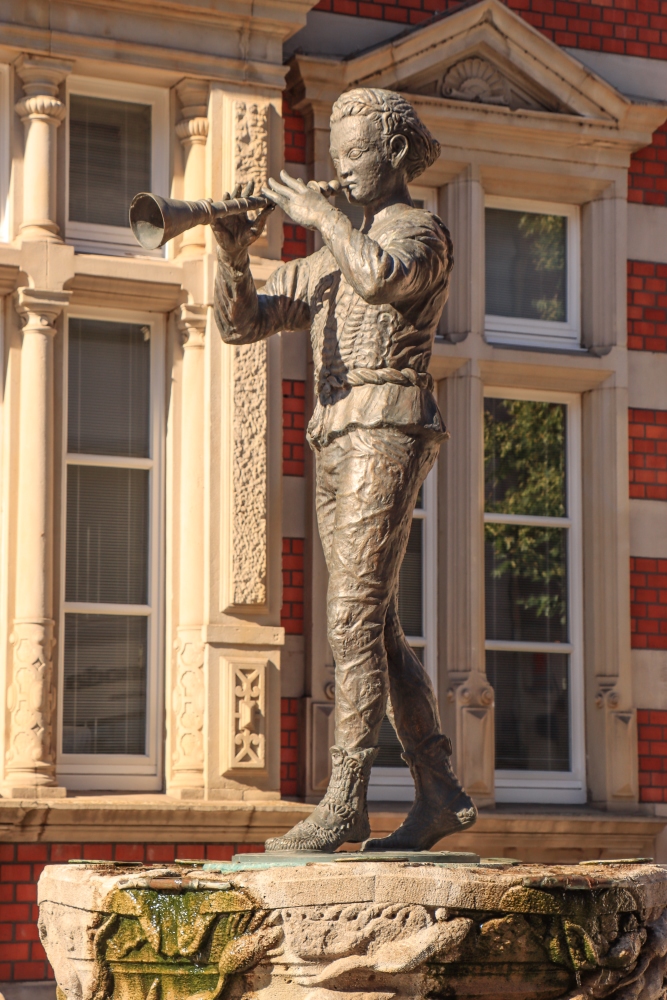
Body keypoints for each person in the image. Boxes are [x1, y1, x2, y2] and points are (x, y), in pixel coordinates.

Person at [213, 87, 477, 853]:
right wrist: (232, 251)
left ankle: (347, 800)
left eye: (354, 155)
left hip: (389, 424)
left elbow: (383, 279)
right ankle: (439, 791)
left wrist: (320, 217)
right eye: (336, 158)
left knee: (350, 617)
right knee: (378, 626)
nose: (341, 172)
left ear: (393, 153)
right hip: (336, 434)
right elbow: (242, 322)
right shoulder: (329, 257)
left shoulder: (420, 233)